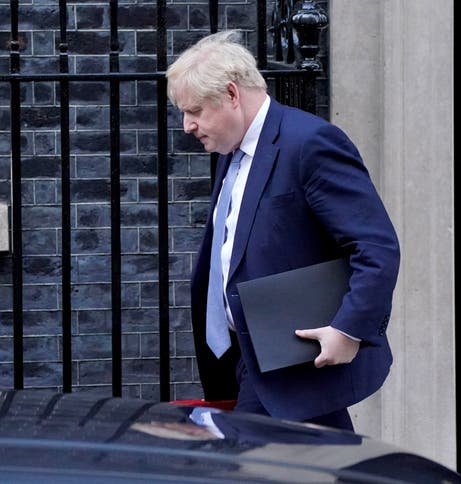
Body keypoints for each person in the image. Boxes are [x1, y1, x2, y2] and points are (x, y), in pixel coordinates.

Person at [166, 30, 400, 431]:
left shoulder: (311, 143)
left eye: (196, 111)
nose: (187, 126)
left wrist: (349, 329)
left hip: (294, 355)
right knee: (316, 463)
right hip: (251, 357)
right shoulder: (233, 153)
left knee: (248, 464)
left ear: (232, 94)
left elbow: (375, 246)